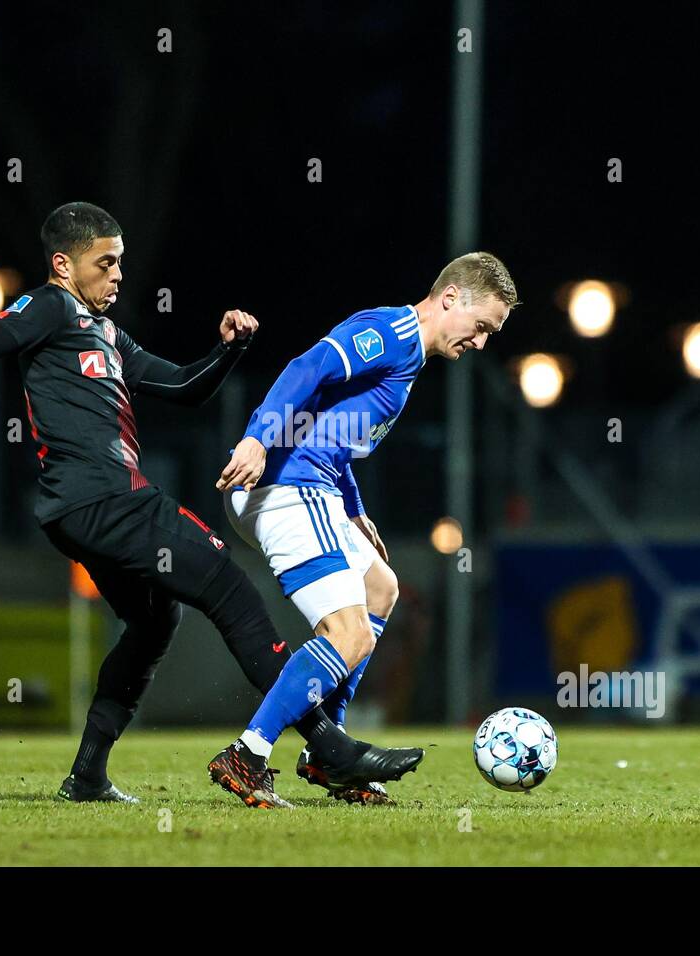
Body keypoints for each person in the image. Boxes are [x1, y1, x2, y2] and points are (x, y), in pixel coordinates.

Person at [0, 202, 419, 806]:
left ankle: (88, 774)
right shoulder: (48, 305)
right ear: (64, 265)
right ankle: (324, 747)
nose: (118, 275)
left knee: (153, 622)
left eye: (121, 262)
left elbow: (182, 387)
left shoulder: (108, 333)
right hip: (107, 498)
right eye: (106, 262)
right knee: (229, 587)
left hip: (83, 512)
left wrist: (229, 352)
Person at [208, 252, 518, 808]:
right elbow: (307, 370)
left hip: (313, 484)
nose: (482, 343)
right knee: (347, 633)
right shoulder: (392, 332)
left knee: (382, 587)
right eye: (482, 327)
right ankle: (248, 755)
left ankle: (330, 753)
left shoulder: (410, 356)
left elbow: (333, 427)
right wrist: (256, 437)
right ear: (451, 299)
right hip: (284, 483)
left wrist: (352, 509)